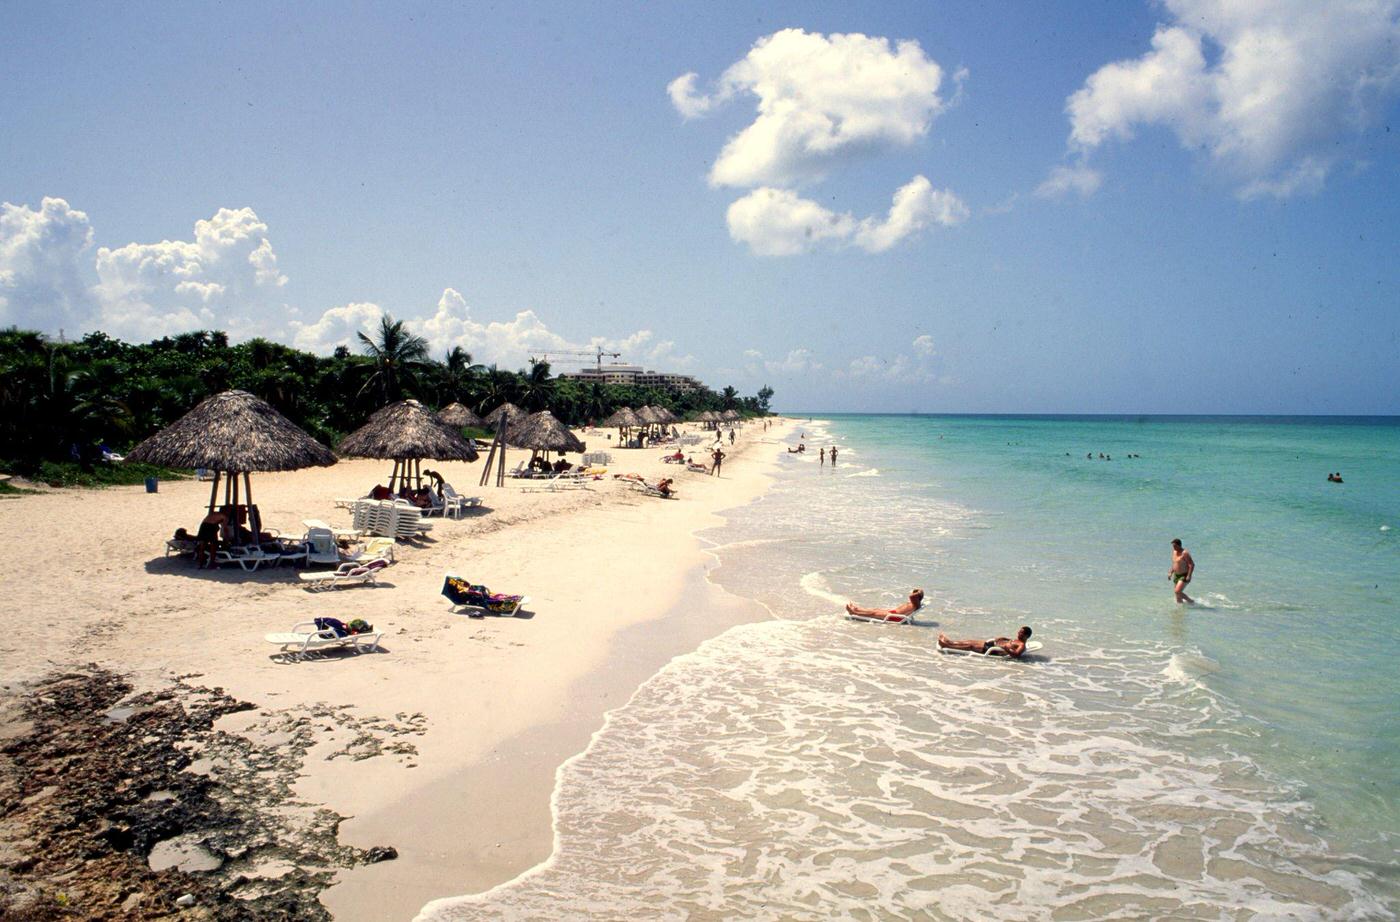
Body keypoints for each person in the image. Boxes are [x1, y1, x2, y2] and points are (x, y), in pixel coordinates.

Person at [938, 626, 1033, 658]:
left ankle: (946, 645)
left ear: (1026, 636)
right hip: (992, 645)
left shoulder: (1022, 645)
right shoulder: (1017, 640)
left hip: (993, 651)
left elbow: (1016, 655)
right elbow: (1010, 642)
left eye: (1020, 633)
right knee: (970, 641)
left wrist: (1006, 648)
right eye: (1019, 631)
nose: (1018, 633)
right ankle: (950, 642)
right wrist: (1003, 639)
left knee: (970, 646)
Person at [846, 589, 924, 619]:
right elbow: (912, 596)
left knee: (873, 613)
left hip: (894, 617)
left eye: (915, 593)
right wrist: (918, 592)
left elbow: (911, 596)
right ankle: (857, 608)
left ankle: (853, 612)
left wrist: (919, 592)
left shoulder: (916, 604)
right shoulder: (914, 603)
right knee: (875, 609)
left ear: (917, 597)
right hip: (893, 613)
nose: (913, 593)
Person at [1169, 538, 1195, 605]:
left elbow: (1191, 564)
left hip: (1184, 575)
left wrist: (1189, 575)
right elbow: (1175, 563)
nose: (1173, 548)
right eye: (1173, 546)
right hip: (1176, 575)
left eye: (1175, 546)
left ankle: (1191, 601)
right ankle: (1180, 612)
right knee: (1178, 597)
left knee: (1177, 591)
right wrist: (1170, 572)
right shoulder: (1174, 552)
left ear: (1179, 545)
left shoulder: (1185, 553)